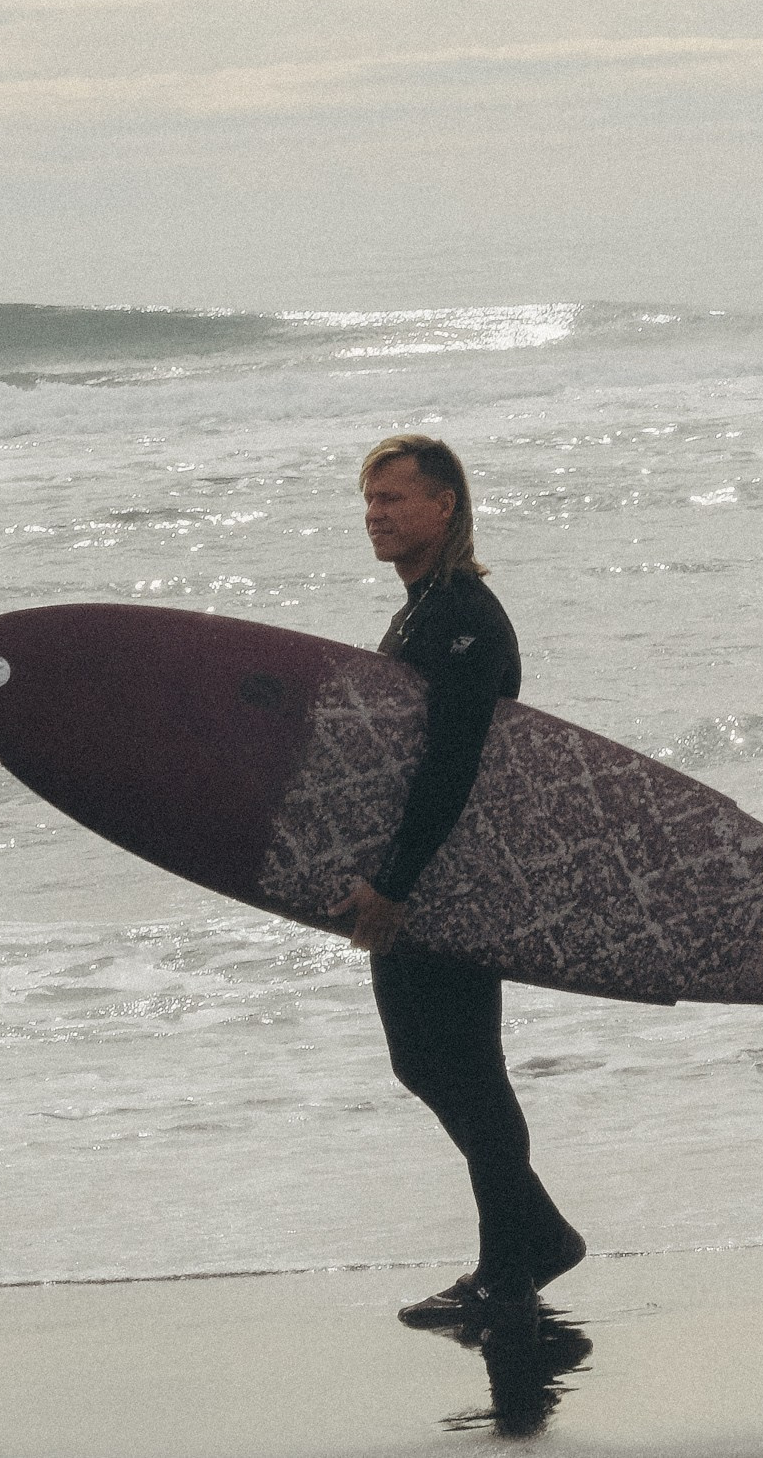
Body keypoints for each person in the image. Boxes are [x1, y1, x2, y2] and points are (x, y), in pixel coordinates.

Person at [330, 434, 584, 1329]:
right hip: (424, 872)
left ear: (444, 506)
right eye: (370, 500)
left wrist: (395, 883)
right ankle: (534, 1235)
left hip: (453, 880)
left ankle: (509, 1269)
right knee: (426, 1061)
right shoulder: (421, 612)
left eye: (394, 498)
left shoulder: (465, 618)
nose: (376, 514)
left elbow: (452, 764)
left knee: (469, 1070)